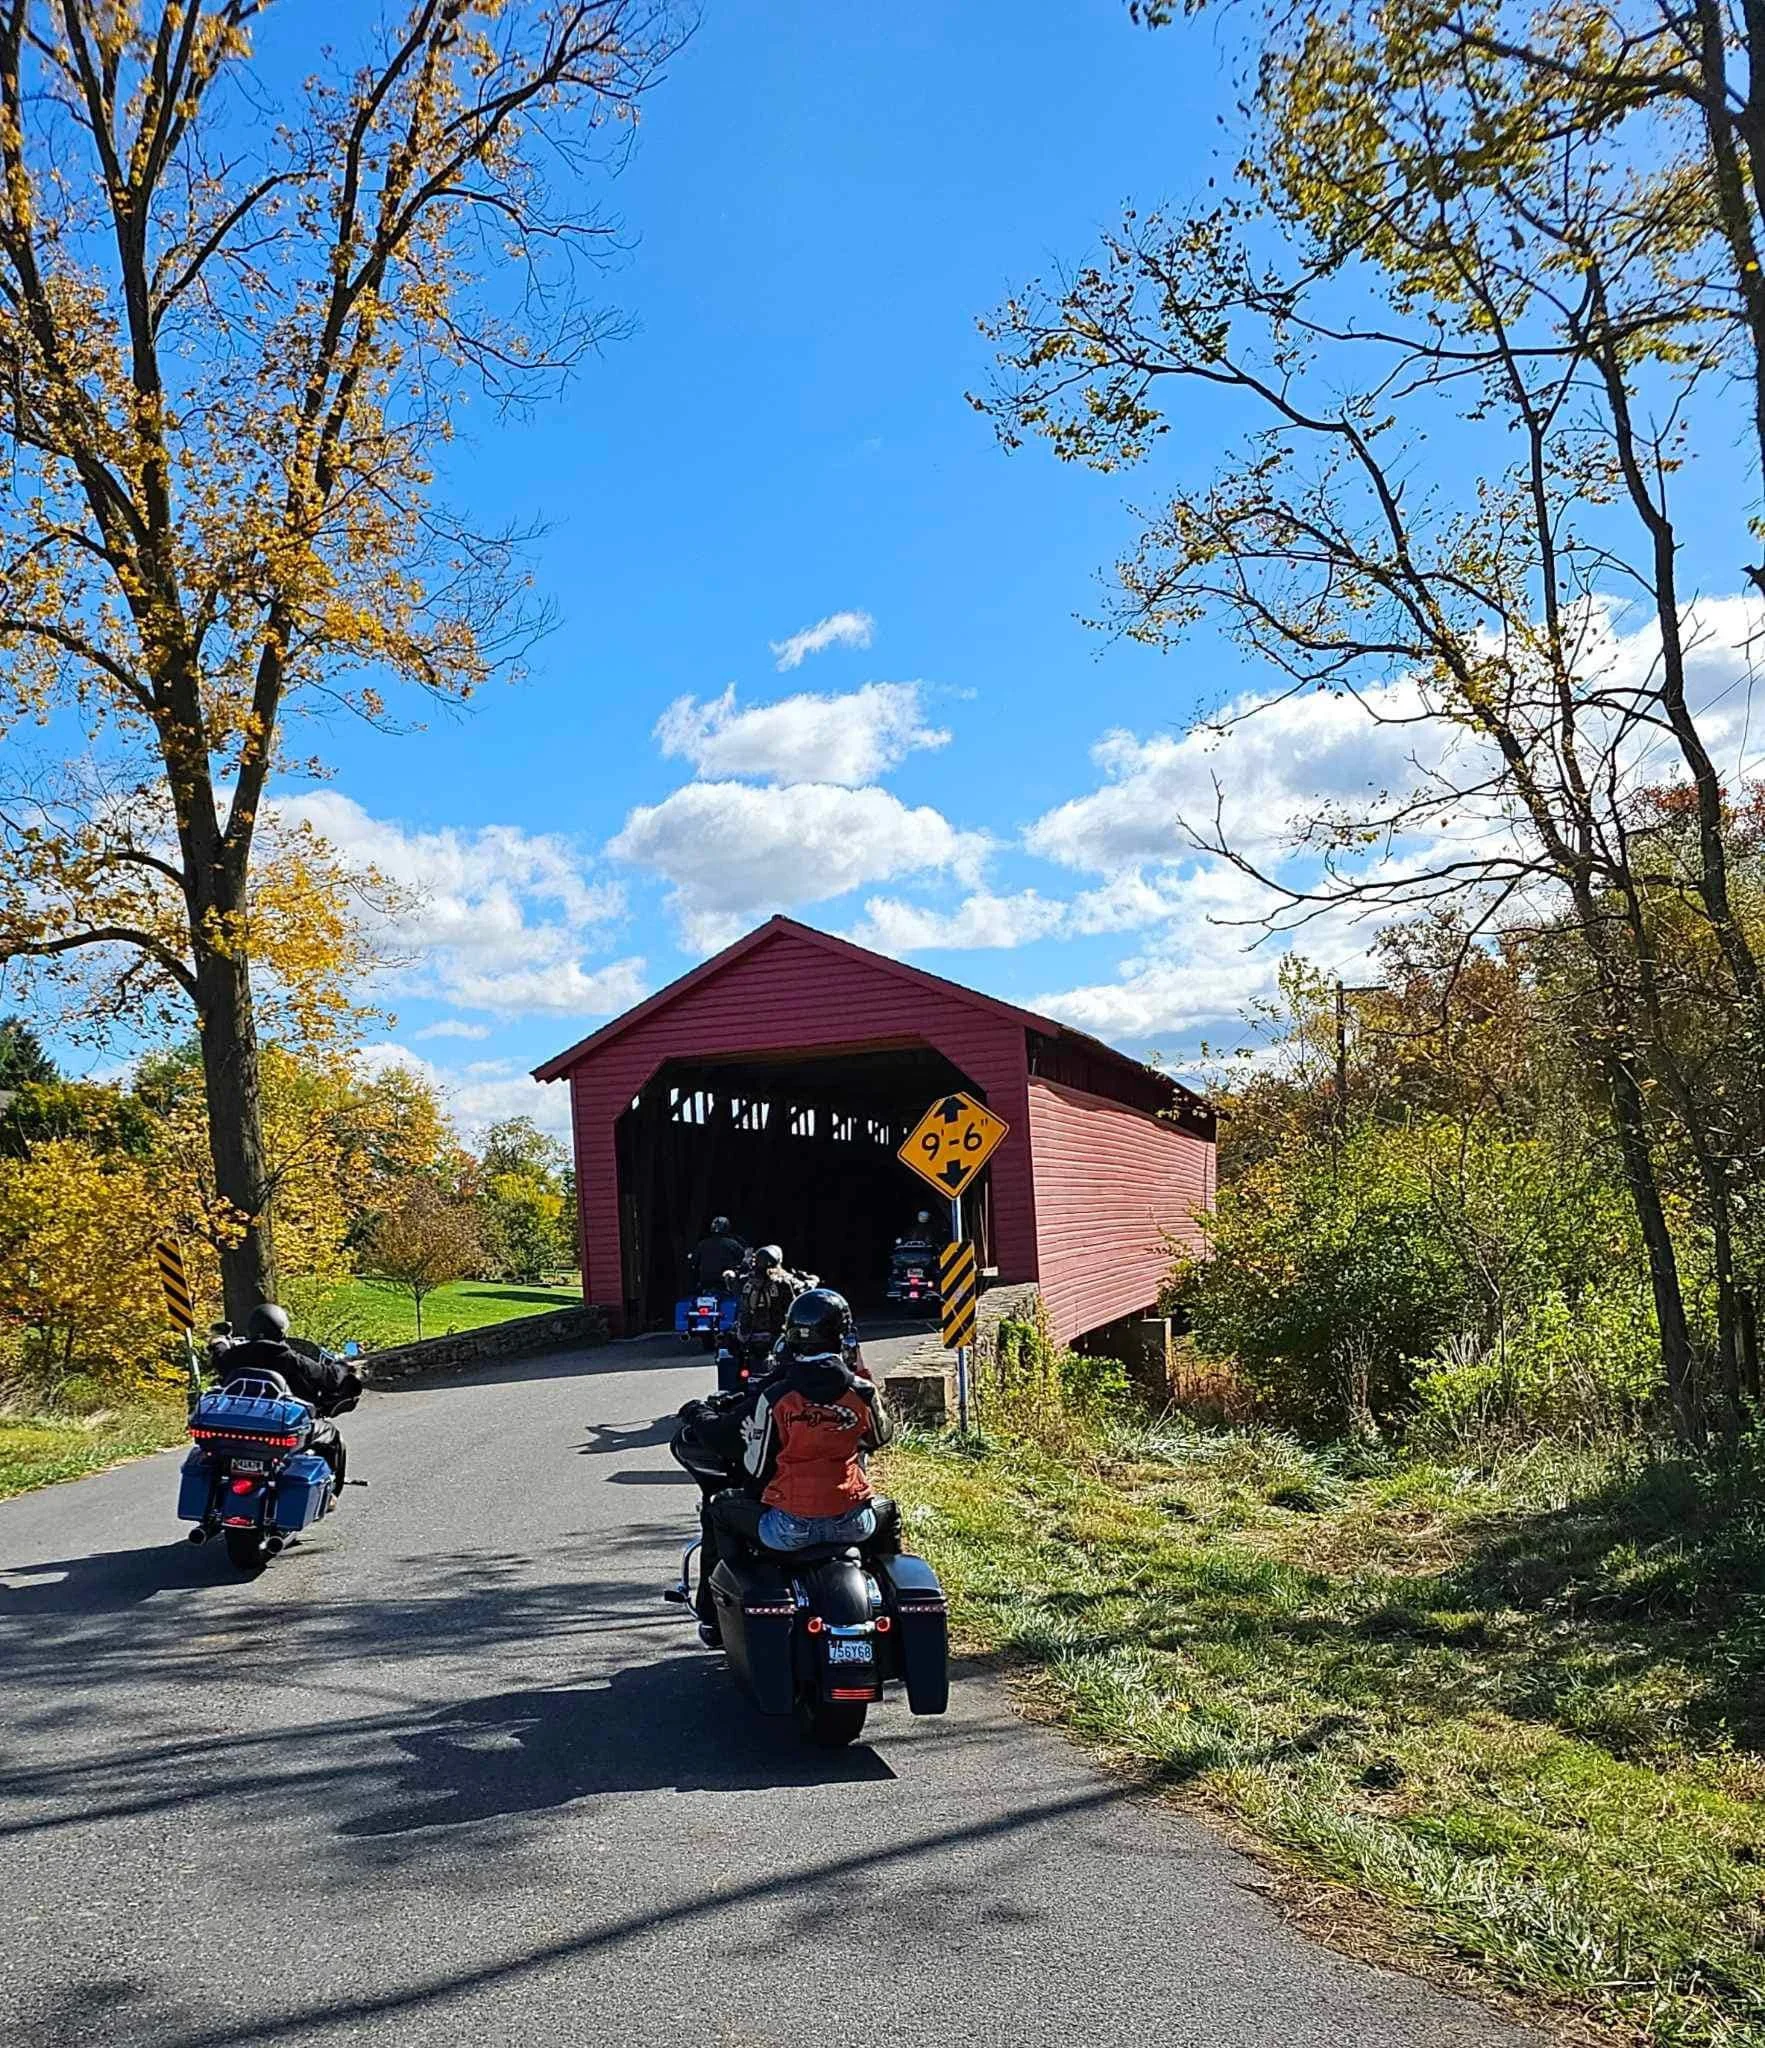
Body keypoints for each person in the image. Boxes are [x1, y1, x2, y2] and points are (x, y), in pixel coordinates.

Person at [696, 1288, 897, 1640]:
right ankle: (887, 1600)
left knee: (720, 1511)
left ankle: (717, 1615)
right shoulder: (862, 1391)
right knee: (889, 1512)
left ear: (791, 1337)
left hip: (789, 1527)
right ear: (843, 1335)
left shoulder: (777, 1396)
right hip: (853, 1523)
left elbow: (756, 1466)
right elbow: (881, 1437)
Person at [215, 1303, 357, 1488]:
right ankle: (332, 1492)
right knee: (332, 1435)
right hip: (279, 1426)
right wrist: (342, 1366)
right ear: (282, 1330)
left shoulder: (233, 1356)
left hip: (238, 1424)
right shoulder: (290, 1358)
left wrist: (219, 1341)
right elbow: (329, 1378)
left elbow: (218, 1357)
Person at [687, 1216, 747, 1294]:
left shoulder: (702, 1244)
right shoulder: (733, 1244)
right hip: (726, 1284)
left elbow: (693, 1261)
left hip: (705, 1284)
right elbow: (743, 1259)